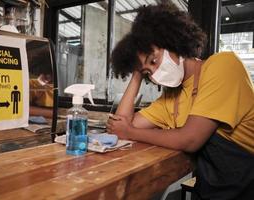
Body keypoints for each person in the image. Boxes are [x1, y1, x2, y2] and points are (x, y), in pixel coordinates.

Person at [106, 2, 254, 200]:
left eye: (154, 60)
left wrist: (130, 132)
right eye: (148, 73)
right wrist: (137, 75)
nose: (155, 74)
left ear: (173, 42)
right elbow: (121, 125)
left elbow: (191, 139)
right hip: (210, 192)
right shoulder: (170, 100)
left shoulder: (222, 66)